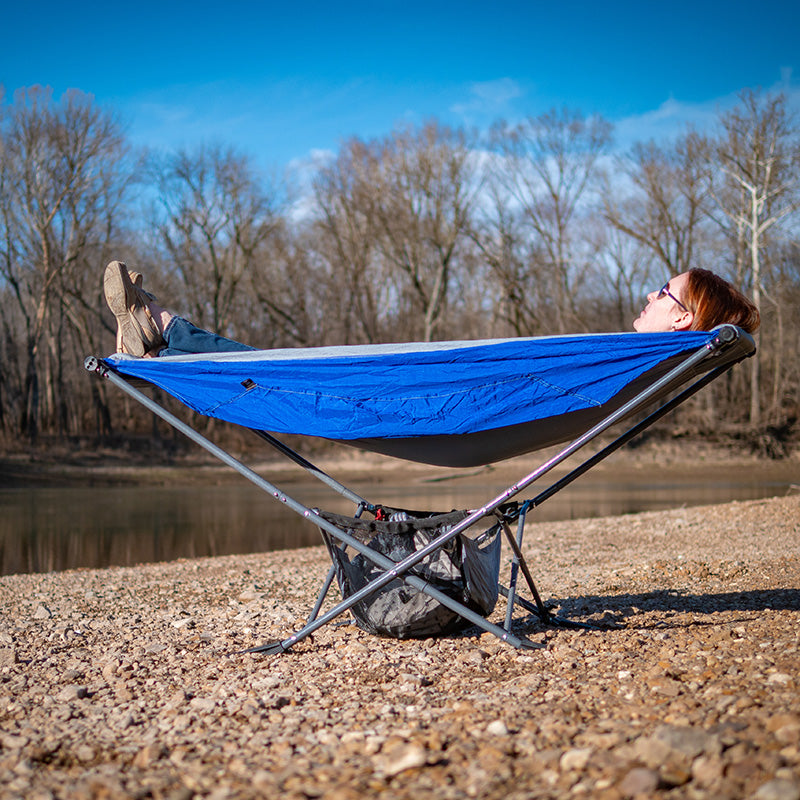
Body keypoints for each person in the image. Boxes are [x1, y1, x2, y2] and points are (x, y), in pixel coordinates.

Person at [102, 260, 760, 358]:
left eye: (662, 293)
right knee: (284, 366)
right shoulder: (644, 357)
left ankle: (159, 327)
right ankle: (159, 328)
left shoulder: (630, 354)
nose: (650, 296)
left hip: (434, 403)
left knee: (284, 367)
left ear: (681, 318)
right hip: (450, 400)